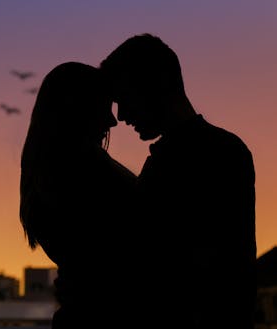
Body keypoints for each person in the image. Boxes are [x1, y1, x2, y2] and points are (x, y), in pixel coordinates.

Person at [99, 33, 256, 329]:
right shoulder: (223, 150)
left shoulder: (194, 158)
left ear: (154, 85)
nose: (121, 116)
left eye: (124, 99)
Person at [19, 61, 137, 328]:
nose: (112, 121)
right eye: (103, 108)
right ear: (78, 109)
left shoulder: (47, 175)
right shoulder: (85, 173)